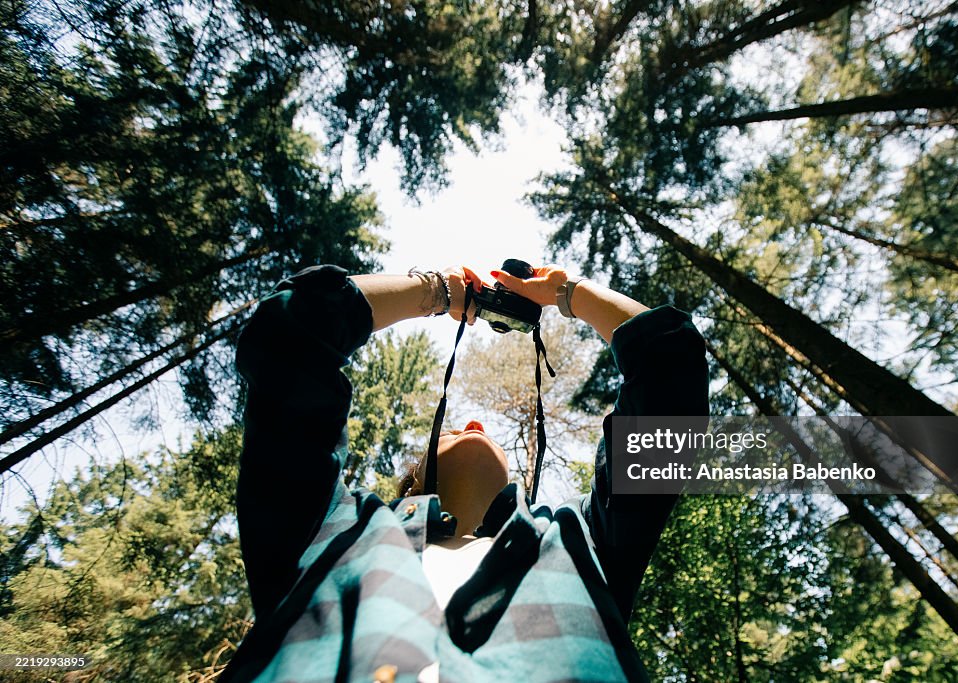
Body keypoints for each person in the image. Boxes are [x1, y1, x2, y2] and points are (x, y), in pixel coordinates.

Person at [221, 263, 709, 683]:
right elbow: (289, 335)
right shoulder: (331, 527)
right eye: (456, 427)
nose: (475, 423)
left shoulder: (584, 543)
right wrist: (438, 290)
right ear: (411, 480)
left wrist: (567, 293)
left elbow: (670, 381)